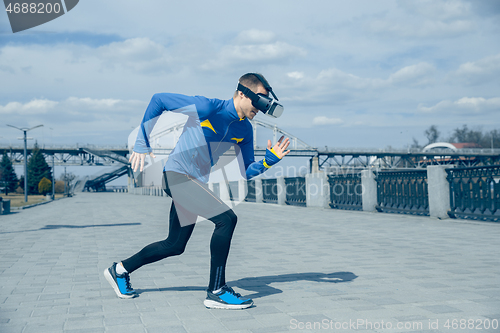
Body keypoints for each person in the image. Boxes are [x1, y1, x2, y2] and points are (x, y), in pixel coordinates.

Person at [104, 73, 290, 309]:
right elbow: (158, 100)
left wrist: (268, 162)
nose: (261, 109)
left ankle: (119, 270)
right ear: (242, 93)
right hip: (177, 176)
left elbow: (244, 172)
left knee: (174, 245)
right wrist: (142, 143)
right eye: (259, 101)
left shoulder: (245, 130)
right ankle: (216, 290)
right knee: (227, 219)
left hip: (194, 183)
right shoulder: (207, 107)